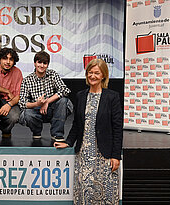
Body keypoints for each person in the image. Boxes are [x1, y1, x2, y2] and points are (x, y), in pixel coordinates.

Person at [54, 58, 123, 204]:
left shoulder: (112, 97)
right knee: (85, 193)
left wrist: (116, 155)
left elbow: (117, 129)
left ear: (103, 75)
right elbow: (77, 124)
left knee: (105, 193)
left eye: (96, 73)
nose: (93, 76)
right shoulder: (80, 96)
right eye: (90, 72)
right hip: (84, 153)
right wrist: (68, 142)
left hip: (104, 155)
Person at [19, 51, 73, 141]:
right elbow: (22, 103)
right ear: (35, 63)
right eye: (39, 62)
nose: (42, 65)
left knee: (64, 101)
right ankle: (36, 132)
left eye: (45, 63)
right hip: (36, 110)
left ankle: (57, 134)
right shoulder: (27, 80)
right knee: (26, 114)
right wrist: (37, 104)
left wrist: (47, 101)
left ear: (48, 65)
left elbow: (65, 90)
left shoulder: (52, 74)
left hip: (52, 108)